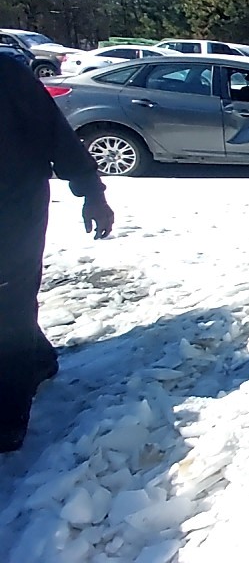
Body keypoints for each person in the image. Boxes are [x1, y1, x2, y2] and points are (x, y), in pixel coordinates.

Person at [0, 55, 115, 452]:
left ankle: (7, 420)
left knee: (9, 308)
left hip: (12, 215)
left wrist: (93, 193)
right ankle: (39, 360)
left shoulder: (6, 74)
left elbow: (56, 135)